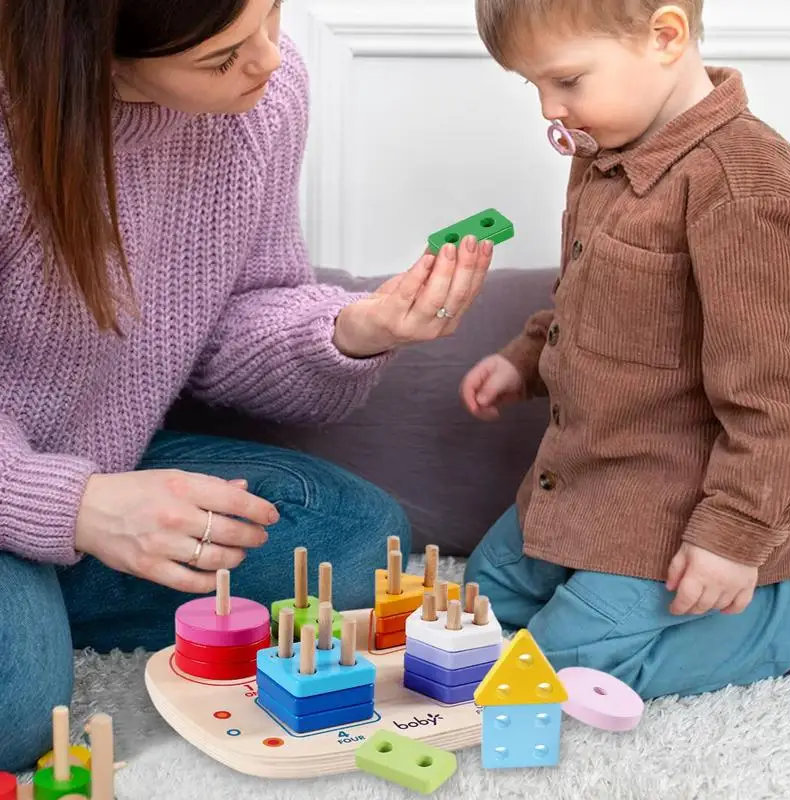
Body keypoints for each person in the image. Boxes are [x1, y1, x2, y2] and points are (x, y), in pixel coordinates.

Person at [0, 0, 494, 772]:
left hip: (108, 457)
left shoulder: (264, 98)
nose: (269, 60)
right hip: (22, 480)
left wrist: (352, 332)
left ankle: (47, 598)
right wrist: (72, 507)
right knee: (18, 709)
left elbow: (230, 318)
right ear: (93, 54)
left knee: (359, 539)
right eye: (220, 57)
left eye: (271, 15)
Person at [462, 0, 790, 701]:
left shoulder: (743, 187)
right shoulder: (601, 156)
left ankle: (782, 612)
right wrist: (524, 362)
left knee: (558, 674)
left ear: (666, 36)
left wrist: (734, 538)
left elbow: (778, 393)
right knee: (476, 607)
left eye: (567, 81)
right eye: (535, 88)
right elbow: (589, 294)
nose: (549, 109)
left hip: (672, 507)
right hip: (582, 478)